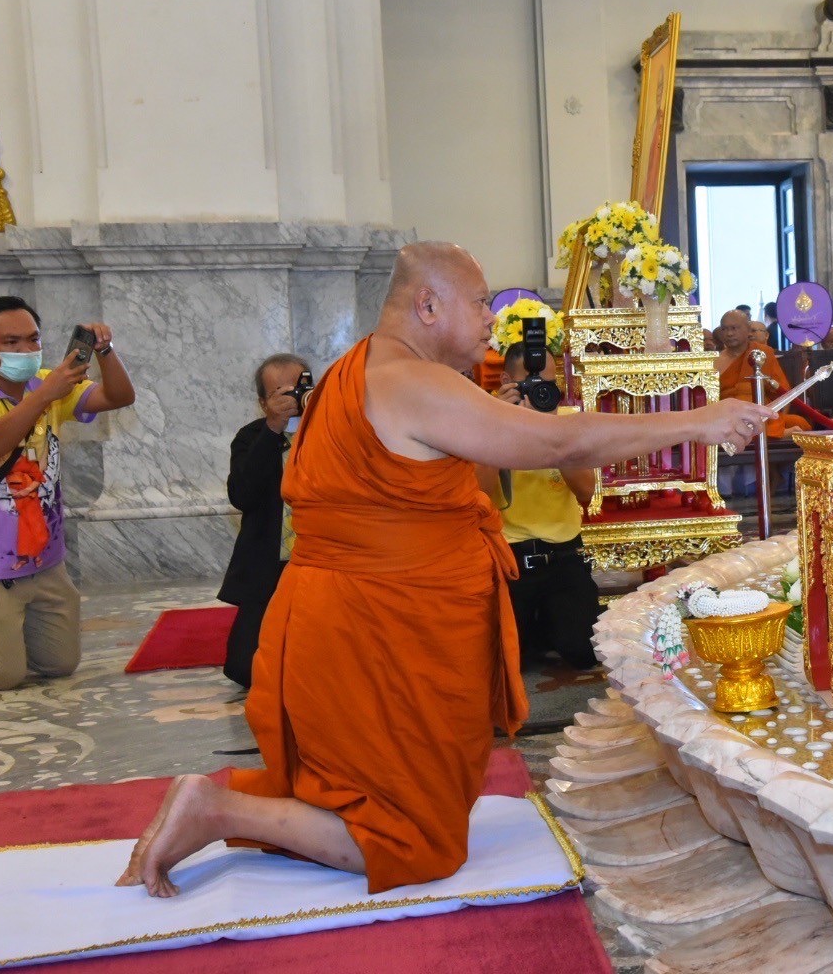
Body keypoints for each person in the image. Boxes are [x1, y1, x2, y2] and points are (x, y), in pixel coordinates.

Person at [118, 241, 772, 899]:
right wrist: (698, 420)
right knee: (415, 842)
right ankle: (218, 809)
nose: (494, 318)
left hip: (349, 615)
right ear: (428, 304)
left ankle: (241, 811)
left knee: (392, 797)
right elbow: (555, 443)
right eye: (482, 301)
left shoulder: (359, 371)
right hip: (371, 630)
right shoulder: (411, 382)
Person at [0, 296, 135, 691]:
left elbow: (119, 397)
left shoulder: (49, 384)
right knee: (0, 676)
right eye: (12, 342)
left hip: (43, 554)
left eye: (33, 340)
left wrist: (105, 351)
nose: (26, 351)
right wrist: (43, 396)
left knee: (58, 665)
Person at [483, 343, 599, 671]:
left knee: (583, 653)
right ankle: (535, 632)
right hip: (509, 557)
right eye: (530, 384)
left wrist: (551, 430)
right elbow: (478, 492)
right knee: (509, 662)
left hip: (563, 554)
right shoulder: (484, 418)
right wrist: (499, 422)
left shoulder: (567, 421)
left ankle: (549, 626)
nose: (539, 392)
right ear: (506, 380)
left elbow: (586, 491)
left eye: (546, 384)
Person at [218, 353, 311, 689]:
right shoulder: (251, 436)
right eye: (279, 393)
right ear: (262, 402)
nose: (291, 399)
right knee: (245, 667)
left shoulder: (330, 430)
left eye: (299, 388)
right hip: (268, 568)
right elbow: (241, 494)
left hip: (321, 564)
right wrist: (273, 430)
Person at [716, 309, 807, 437]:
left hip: (761, 414)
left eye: (734, 328)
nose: (729, 333)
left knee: (800, 422)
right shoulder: (715, 361)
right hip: (728, 415)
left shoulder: (763, 353)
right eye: (724, 329)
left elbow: (782, 391)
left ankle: (773, 430)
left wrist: (778, 418)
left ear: (748, 330)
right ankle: (775, 433)